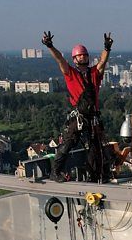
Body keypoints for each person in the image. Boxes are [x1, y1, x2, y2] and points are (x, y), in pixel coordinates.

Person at [42, 31, 112, 182]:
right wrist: (50, 46)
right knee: (67, 144)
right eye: (80, 56)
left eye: (84, 55)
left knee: (95, 149)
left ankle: (95, 177)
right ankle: (55, 172)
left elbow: (102, 63)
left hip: (92, 118)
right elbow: (60, 59)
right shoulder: (71, 73)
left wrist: (107, 48)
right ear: (74, 59)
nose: (83, 57)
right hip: (79, 117)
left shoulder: (94, 73)